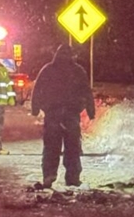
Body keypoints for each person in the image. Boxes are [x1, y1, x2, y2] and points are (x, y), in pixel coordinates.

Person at [30, 44, 95, 188]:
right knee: (72, 148)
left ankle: (49, 175)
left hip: (54, 114)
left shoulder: (48, 70)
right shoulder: (77, 71)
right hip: (70, 114)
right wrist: (90, 110)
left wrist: (36, 108)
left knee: (51, 147)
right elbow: (87, 91)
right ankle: (72, 178)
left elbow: (37, 89)